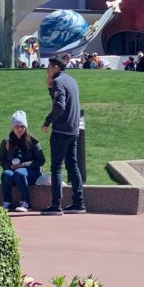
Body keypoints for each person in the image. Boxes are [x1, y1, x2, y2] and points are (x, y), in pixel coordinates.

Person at [40, 56, 85, 215]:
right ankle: (78, 203)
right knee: (72, 165)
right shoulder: (71, 80)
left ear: (56, 68)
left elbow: (59, 105)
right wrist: (49, 88)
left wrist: (47, 122)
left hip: (61, 130)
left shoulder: (58, 82)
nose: (47, 71)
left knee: (56, 168)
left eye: (49, 68)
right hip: (73, 130)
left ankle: (56, 205)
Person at [0, 110, 45, 212]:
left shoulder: (33, 141)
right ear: (12, 127)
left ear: (26, 127)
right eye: (17, 126)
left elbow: (41, 160)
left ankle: (26, 203)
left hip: (31, 172)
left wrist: (22, 165)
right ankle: (7, 202)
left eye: (22, 126)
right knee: (6, 174)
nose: (19, 129)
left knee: (19, 173)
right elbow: (1, 159)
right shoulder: (6, 141)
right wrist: (9, 166)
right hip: (13, 171)